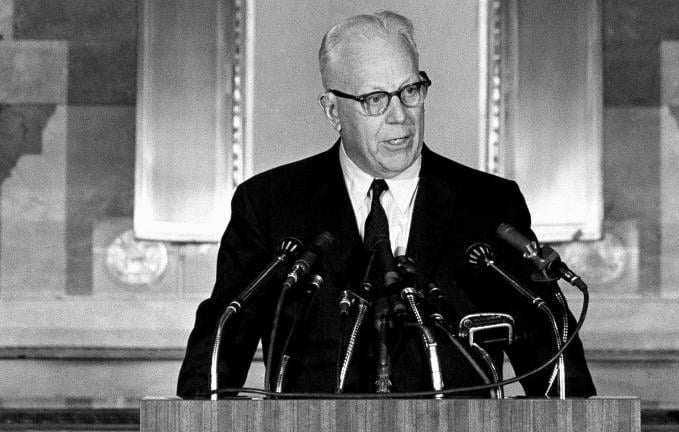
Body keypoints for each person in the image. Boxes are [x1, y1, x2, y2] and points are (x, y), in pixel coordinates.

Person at [178, 10, 595, 398]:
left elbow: (553, 363)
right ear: (333, 110)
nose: (400, 116)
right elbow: (218, 352)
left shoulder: (488, 204)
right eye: (375, 99)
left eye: (410, 90)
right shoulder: (270, 204)